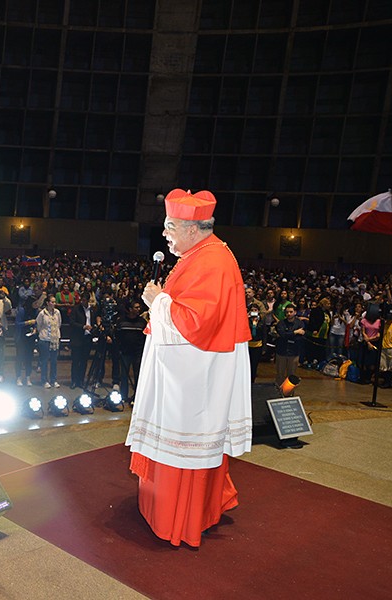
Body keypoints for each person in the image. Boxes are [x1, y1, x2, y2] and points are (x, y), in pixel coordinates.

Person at [125, 188, 252, 548]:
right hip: (189, 371)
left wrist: (157, 301)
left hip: (195, 379)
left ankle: (177, 520)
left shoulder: (212, 261)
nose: (165, 234)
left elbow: (196, 324)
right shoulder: (200, 254)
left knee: (184, 447)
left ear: (192, 229)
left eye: (170, 227)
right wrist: (161, 301)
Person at [275, 304, 305, 386]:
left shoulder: (300, 324)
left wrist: (288, 334)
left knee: (291, 376)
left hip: (294, 353)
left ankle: (289, 392)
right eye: (287, 312)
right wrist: (295, 332)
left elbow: (299, 338)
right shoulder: (281, 323)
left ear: (295, 312)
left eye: (291, 312)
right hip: (281, 352)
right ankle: (279, 391)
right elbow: (283, 335)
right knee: (280, 375)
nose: (289, 314)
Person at [36, 294, 62, 388]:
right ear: (47, 303)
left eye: (55, 302)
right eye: (52, 302)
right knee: (44, 361)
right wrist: (45, 333)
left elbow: (59, 324)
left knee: (54, 361)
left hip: (54, 340)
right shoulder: (42, 313)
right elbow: (38, 325)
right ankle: (44, 380)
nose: (54, 303)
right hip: (45, 339)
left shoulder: (57, 312)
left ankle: (53, 380)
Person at [69, 292, 94, 389]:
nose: (82, 302)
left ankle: (81, 380)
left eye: (84, 300)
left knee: (84, 361)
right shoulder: (76, 309)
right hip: (77, 338)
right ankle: (74, 381)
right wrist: (83, 326)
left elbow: (94, 320)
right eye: (81, 300)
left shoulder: (92, 310)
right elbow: (72, 322)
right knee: (76, 361)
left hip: (87, 338)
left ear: (88, 300)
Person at [248, 304, 267, 382]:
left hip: (257, 346)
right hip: (248, 346)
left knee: (254, 365)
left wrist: (264, 347)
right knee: (247, 365)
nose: (254, 312)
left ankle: (252, 381)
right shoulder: (246, 321)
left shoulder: (261, 321)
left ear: (258, 311)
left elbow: (264, 335)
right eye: (252, 310)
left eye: (255, 310)